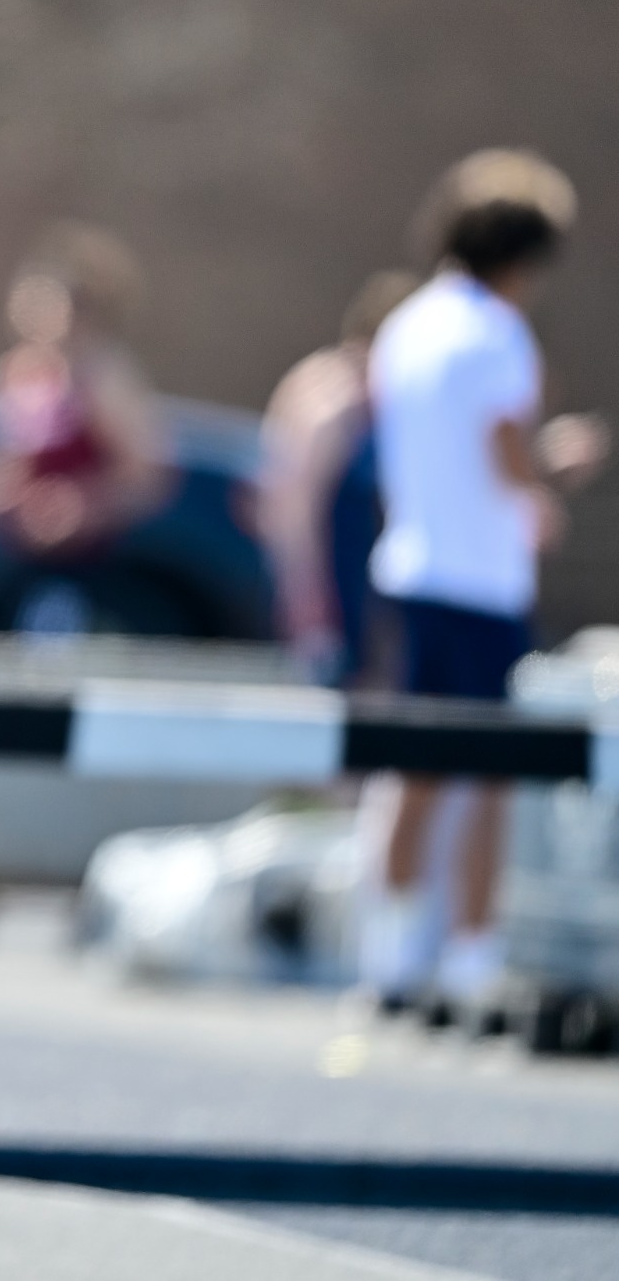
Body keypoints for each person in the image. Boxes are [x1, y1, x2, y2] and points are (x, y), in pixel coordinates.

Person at [358, 148, 606, 1018]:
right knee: (485, 774)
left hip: (408, 567)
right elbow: (505, 449)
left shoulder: (408, 324)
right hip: (476, 581)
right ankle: (469, 954)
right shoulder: (497, 335)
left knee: (412, 770)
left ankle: (389, 953)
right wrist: (547, 477)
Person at [0, 222, 169, 630]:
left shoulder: (103, 376)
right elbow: (13, 464)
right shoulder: (17, 372)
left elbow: (147, 480)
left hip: (88, 570)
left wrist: (85, 507)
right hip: (13, 563)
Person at [257, 270, 419, 686]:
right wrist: (306, 602)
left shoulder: (337, 382)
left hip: (344, 563)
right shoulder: (335, 401)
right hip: (327, 571)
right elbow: (293, 508)